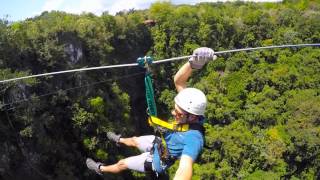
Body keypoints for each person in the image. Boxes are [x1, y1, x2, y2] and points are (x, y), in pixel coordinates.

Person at [86, 47, 216, 179]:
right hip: (160, 142)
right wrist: (192, 63)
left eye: (178, 113)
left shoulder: (194, 139)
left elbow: (185, 168)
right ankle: (119, 140)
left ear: (192, 116)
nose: (173, 113)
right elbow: (179, 81)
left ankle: (100, 168)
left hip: (158, 160)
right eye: (175, 108)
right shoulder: (189, 108)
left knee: (122, 164)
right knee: (134, 140)